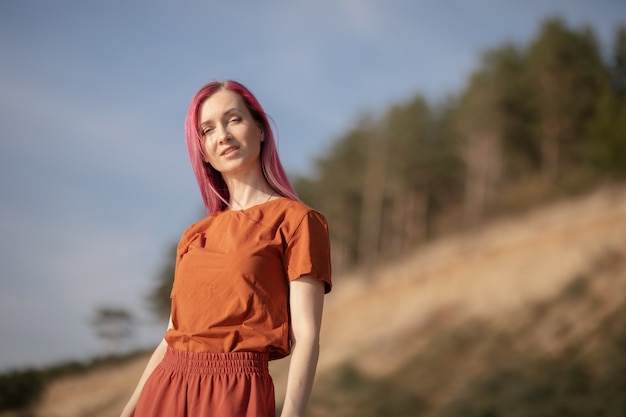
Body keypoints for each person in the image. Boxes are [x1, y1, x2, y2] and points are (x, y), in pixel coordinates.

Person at [120, 80, 332, 417]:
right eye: (207, 130)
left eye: (233, 119)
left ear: (260, 129)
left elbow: (306, 336)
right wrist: (129, 411)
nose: (223, 135)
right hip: (164, 388)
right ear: (202, 149)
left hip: (235, 393)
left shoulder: (297, 221)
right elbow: (173, 335)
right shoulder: (194, 235)